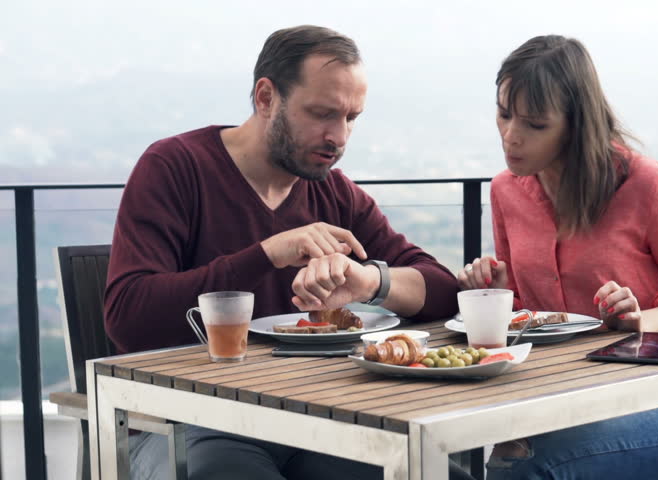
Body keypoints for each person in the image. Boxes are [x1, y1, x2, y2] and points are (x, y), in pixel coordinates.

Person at [104, 25, 467, 480]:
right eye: (322, 114)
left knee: (436, 474)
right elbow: (128, 316)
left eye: (352, 117)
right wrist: (266, 255)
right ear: (265, 98)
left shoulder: (336, 193)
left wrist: (371, 281)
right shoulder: (175, 167)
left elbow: (442, 291)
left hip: (316, 420)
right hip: (190, 422)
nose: (339, 136)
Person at [458, 35, 658, 480]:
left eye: (535, 124)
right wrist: (498, 292)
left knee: (521, 468)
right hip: (560, 398)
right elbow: (532, 315)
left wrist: (640, 319)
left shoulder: (650, 185)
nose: (511, 136)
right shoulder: (506, 189)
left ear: (576, 124)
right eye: (504, 115)